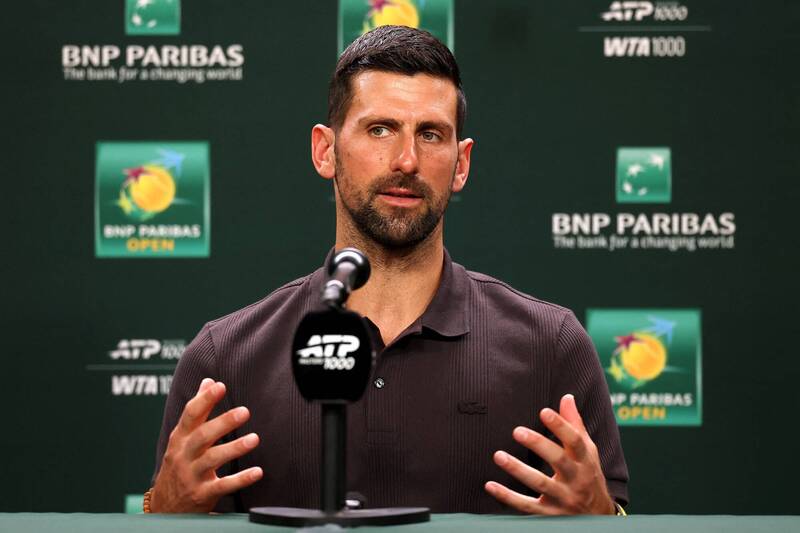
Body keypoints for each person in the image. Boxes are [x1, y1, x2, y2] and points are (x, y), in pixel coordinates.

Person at [147, 25, 629, 515]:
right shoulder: (226, 359)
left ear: (461, 164)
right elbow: (170, 516)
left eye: (430, 134)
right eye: (380, 129)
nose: (406, 161)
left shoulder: (551, 347)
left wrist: (605, 520)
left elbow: (611, 513)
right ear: (325, 150)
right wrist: (162, 514)